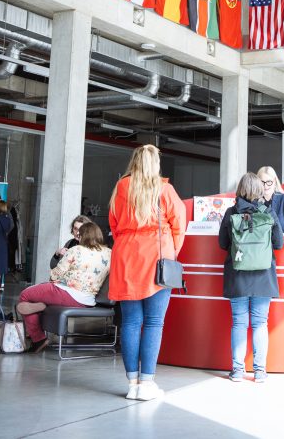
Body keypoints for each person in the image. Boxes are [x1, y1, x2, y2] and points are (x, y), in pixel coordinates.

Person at [107, 144, 185, 401]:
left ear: (135, 161)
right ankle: (147, 383)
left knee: (130, 322)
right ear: (156, 164)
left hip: (126, 257)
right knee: (154, 322)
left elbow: (114, 224)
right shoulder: (165, 189)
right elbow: (178, 227)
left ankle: (132, 383)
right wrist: (171, 253)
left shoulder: (122, 187)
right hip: (156, 257)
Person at [218, 172, 284, 383]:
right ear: (259, 190)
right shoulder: (269, 212)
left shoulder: (231, 213)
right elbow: (279, 243)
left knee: (239, 322)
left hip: (238, 275)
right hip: (263, 277)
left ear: (240, 190)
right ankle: (259, 371)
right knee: (259, 323)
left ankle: (237, 370)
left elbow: (222, 244)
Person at [17, 221, 112, 353]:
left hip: (67, 293)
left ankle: (38, 338)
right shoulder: (109, 253)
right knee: (39, 294)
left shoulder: (76, 250)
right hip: (88, 300)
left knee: (25, 295)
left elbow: (56, 274)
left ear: (82, 236)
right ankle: (41, 306)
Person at [256, 166, 284, 233]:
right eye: (262, 182)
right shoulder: (252, 201)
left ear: (275, 182)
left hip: (282, 243)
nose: (265, 186)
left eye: (269, 182)